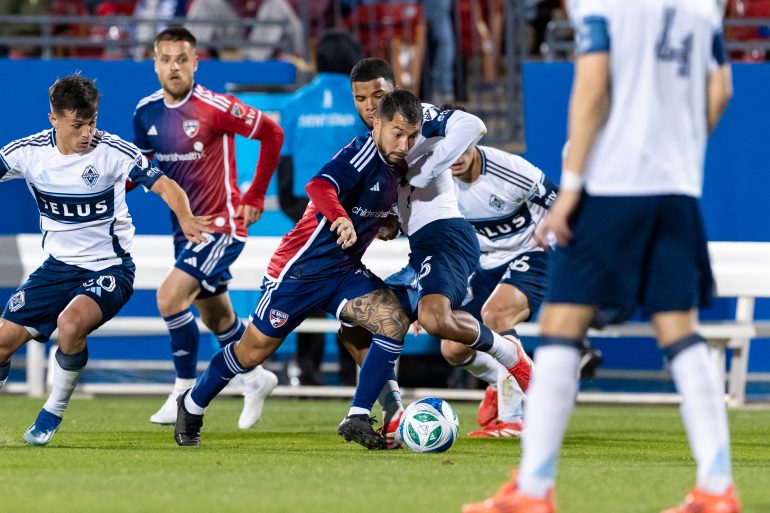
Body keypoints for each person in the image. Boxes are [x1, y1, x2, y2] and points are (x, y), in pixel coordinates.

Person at [462, 1, 736, 512]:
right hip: (674, 188)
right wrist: (678, 152)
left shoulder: (605, 5)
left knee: (563, 326)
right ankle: (717, 486)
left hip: (611, 185)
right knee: (680, 329)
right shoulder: (701, 9)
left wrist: (573, 191)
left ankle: (534, 488)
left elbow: (592, 88)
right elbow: (721, 91)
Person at [173, 90, 423, 448]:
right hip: (298, 270)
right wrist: (339, 218)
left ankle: (360, 415)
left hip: (343, 271)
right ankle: (193, 404)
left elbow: (373, 208)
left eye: (412, 136)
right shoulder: (362, 152)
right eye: (398, 132)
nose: (404, 142)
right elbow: (318, 185)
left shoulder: (397, 167)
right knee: (252, 351)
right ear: (378, 124)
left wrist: (385, 224)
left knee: (393, 321)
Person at [0, 74, 210, 446]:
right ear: (54, 120)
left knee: (70, 325)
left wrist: (184, 215)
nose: (87, 133)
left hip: (109, 266)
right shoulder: (28, 153)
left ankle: (53, 410)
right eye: (77, 125)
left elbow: (166, 185)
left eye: (92, 122)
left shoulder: (114, 151)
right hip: (56, 268)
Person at [337, 58, 534, 450]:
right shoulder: (373, 144)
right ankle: (393, 413)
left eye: (379, 94)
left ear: (394, 89)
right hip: (420, 248)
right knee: (356, 323)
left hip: (448, 236)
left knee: (433, 318)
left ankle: (506, 351)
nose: (371, 105)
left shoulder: (417, 116)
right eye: (361, 98)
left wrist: (427, 171)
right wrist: (389, 221)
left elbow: (473, 125)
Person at [132, 27, 283, 430]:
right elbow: (144, 173)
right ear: (155, 64)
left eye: (182, 58)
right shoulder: (145, 113)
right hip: (186, 232)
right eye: (166, 59)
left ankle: (183, 389)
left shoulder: (215, 107)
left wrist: (254, 197)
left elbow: (272, 132)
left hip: (222, 224)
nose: (174, 66)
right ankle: (254, 378)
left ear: (196, 62)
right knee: (217, 317)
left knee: (169, 298)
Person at [441, 142, 556, 438]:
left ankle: (514, 420)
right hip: (487, 263)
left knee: (495, 315)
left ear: (472, 141)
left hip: (535, 251)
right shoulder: (438, 181)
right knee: (453, 346)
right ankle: (500, 380)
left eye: (459, 147)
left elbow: (560, 202)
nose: (454, 157)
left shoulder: (510, 170)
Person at [276, 31, 365, 386]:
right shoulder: (362, 104)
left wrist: (303, 214)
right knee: (355, 291)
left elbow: (285, 174)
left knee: (307, 288)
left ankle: (307, 371)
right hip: (352, 213)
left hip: (305, 209)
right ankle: (352, 373)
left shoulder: (294, 104)